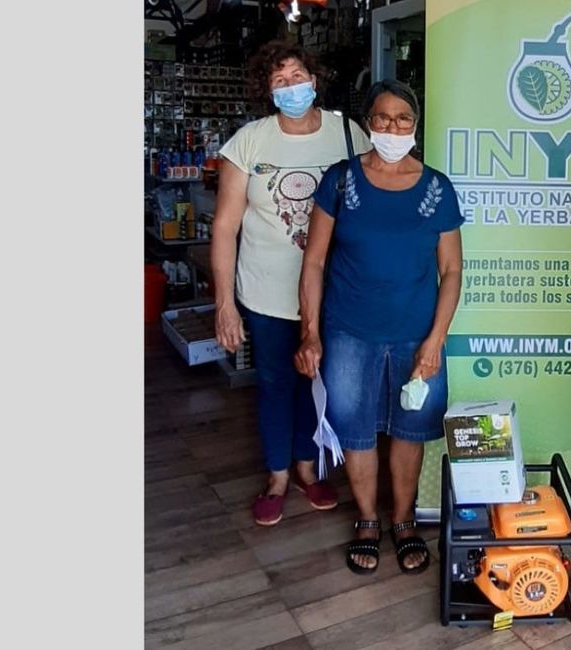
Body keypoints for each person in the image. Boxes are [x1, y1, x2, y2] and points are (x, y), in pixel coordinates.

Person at [294, 80, 464, 576]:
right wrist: (310, 331)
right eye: (383, 118)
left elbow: (451, 270)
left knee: (410, 431)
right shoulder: (341, 181)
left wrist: (435, 341)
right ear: (369, 123)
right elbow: (314, 261)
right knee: (358, 431)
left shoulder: (437, 187)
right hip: (349, 331)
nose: (393, 127)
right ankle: (368, 521)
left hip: (417, 333)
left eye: (403, 118)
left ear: (416, 124)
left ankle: (404, 520)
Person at [211, 40, 372, 527]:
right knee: (277, 383)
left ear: (315, 79)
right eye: (279, 80)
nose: (291, 86)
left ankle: (307, 465)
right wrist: (224, 305)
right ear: (267, 89)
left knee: (319, 384)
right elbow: (224, 227)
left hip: (332, 292)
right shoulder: (250, 142)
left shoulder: (349, 134)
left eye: (298, 75)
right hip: (265, 293)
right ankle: (279, 475)